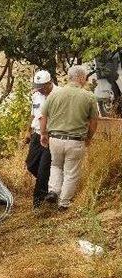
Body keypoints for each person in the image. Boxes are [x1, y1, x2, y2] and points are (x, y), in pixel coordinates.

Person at [40, 65, 99, 209]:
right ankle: (64, 203)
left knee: (56, 165)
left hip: (55, 139)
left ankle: (53, 190)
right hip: (75, 141)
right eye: (85, 77)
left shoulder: (54, 94)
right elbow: (94, 121)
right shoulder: (89, 96)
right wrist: (89, 137)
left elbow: (43, 117)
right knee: (71, 172)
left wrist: (43, 134)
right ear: (81, 78)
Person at [24, 70, 56, 207]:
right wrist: (28, 131)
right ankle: (51, 184)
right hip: (37, 134)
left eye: (42, 86)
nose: (39, 89)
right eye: (38, 86)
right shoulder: (36, 95)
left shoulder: (58, 94)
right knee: (31, 165)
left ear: (49, 83)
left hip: (51, 136)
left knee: (43, 169)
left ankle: (38, 203)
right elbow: (33, 114)